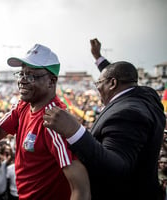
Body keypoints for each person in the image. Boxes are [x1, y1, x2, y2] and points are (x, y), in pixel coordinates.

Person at [43, 39, 166, 200]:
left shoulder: (127, 114)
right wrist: (99, 58)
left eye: (98, 83)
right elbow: (120, 75)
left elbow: (116, 168)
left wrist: (75, 131)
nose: (97, 89)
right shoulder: (147, 95)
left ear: (113, 84)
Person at [0, 44, 90, 200]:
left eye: (31, 76)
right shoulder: (23, 105)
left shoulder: (55, 121)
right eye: (22, 74)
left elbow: (81, 189)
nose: (23, 81)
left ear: (51, 81)